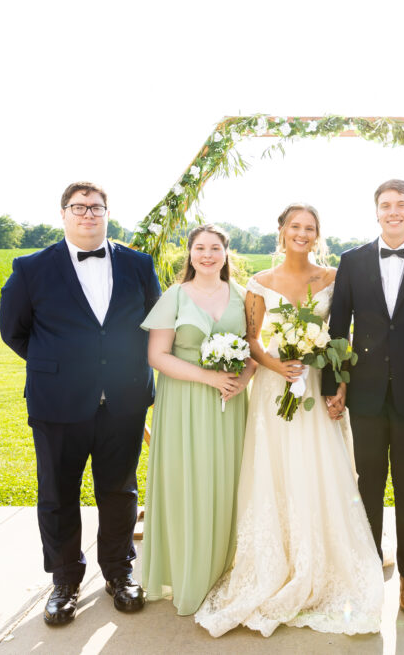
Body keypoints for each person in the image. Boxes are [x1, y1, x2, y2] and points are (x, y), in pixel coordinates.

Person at [196, 204, 383, 637]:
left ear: (318, 235)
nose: (302, 233)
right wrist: (277, 366)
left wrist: (339, 382)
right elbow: (253, 338)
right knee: (276, 469)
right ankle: (276, 563)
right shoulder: (260, 282)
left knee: (321, 470)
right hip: (274, 389)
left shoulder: (334, 278)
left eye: (310, 228)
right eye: (295, 227)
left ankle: (322, 563)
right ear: (281, 231)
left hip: (316, 384)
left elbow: (342, 335)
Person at [0, 182, 161, 625]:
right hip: (59, 403)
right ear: (64, 213)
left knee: (119, 490)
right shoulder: (32, 268)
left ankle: (120, 573)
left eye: (96, 207)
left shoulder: (139, 265)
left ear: (108, 213)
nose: (88, 214)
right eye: (79, 207)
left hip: (124, 401)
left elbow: (156, 325)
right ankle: (64, 581)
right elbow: (14, 331)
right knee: (57, 495)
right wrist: (60, 368)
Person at [322, 179, 404, 613]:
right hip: (366, 393)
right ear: (375, 211)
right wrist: (333, 384)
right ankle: (367, 566)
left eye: (401, 205)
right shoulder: (352, 261)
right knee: (368, 485)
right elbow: (338, 329)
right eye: (385, 205)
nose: (393, 211)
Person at [135, 225, 255, 615]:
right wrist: (208, 377)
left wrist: (242, 381)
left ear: (226, 254)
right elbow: (157, 356)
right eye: (199, 248)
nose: (207, 255)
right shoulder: (175, 296)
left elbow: (254, 352)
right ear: (189, 255)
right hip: (184, 402)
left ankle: (224, 568)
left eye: (215, 248)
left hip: (230, 404)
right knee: (187, 481)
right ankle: (186, 572)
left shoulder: (242, 296)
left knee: (226, 482)